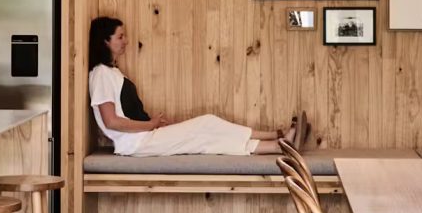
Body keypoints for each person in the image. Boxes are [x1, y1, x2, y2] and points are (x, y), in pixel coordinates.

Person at [88, 16, 306, 157]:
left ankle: (278, 143)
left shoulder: (112, 72)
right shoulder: (101, 74)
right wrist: (151, 124)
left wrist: (155, 124)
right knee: (207, 126)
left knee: (209, 136)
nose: (126, 41)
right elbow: (112, 121)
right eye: (120, 36)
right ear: (105, 41)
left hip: (143, 137)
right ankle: (277, 139)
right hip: (135, 144)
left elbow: (124, 114)